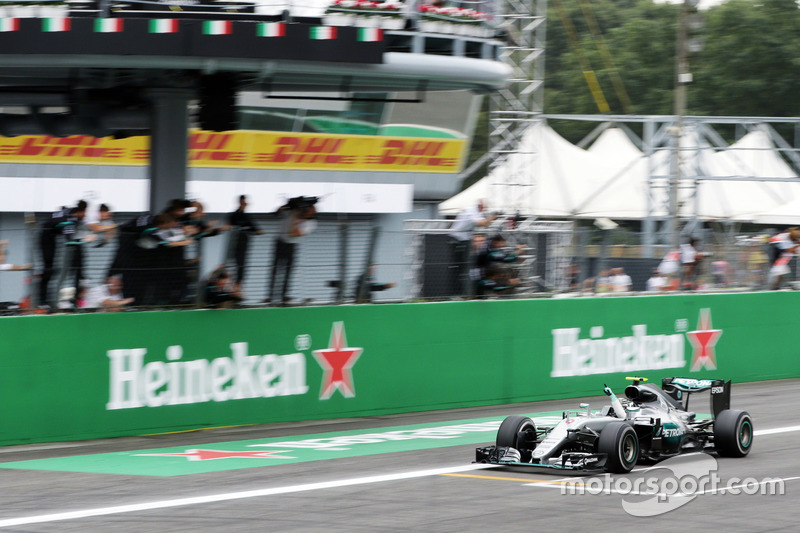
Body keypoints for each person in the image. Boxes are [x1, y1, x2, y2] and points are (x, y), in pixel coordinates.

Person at [38, 200, 91, 308]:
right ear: (81, 211)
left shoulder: (72, 212)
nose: (85, 216)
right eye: (85, 213)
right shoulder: (69, 220)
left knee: (73, 265)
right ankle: (42, 301)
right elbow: (71, 241)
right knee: (48, 268)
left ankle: (74, 298)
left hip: (52, 236)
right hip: (46, 237)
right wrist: (86, 239)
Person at [266, 196, 318, 305]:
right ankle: (270, 296)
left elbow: (294, 233)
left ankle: (284, 296)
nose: (308, 211)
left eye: (310, 210)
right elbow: (275, 214)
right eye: (308, 208)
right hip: (279, 242)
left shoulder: (310, 223)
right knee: (275, 270)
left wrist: (295, 216)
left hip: (291, 245)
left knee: (288, 272)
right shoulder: (290, 211)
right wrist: (288, 205)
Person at [448, 200, 498, 297]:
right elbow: (481, 223)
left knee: (466, 267)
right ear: (481, 206)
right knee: (460, 268)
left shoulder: (477, 213)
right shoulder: (471, 211)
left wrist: (491, 219)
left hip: (465, 240)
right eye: (485, 207)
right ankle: (459, 293)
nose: (485, 210)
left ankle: (466, 292)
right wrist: (492, 217)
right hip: (458, 239)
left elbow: (485, 224)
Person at [227, 195, 264, 291]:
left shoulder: (246, 216)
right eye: (243, 202)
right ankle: (233, 289)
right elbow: (232, 226)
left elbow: (255, 229)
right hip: (236, 245)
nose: (244, 204)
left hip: (243, 246)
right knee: (237, 267)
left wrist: (258, 231)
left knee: (241, 267)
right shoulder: (235, 215)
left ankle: (237, 289)